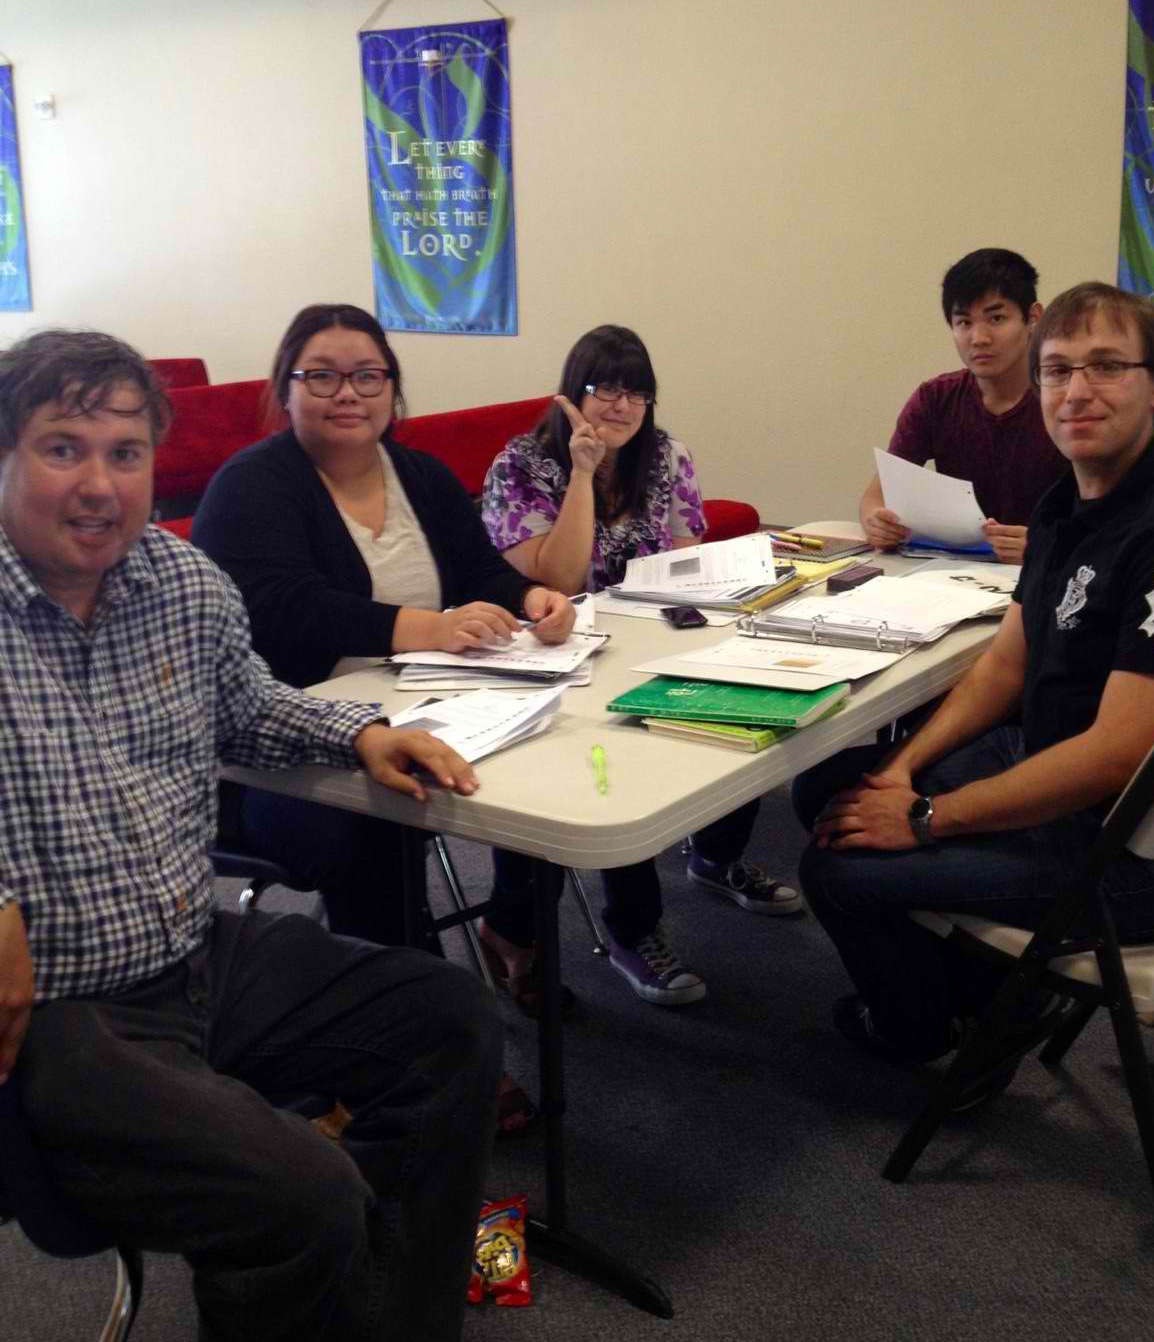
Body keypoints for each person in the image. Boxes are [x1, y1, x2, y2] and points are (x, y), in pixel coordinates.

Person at [0, 329, 502, 1342]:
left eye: (125, 453)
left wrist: (360, 731)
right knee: (302, 1196)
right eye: (62, 448)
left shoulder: (181, 585)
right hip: (57, 1013)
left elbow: (250, 703)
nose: (99, 484)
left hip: (194, 951)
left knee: (450, 1019)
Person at [796, 283, 1154, 1078]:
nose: (1076, 390)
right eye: (1058, 370)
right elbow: (1006, 663)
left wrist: (928, 817)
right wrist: (902, 768)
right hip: (1069, 778)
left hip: (1144, 855)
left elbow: (1117, 755)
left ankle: (934, 1039)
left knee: (837, 869)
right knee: (832, 790)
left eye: (1106, 366)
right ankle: (992, 993)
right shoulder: (1065, 503)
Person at [192, 302, 574, 1134]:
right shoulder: (252, 485)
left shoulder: (421, 475)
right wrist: (424, 628)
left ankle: (511, 930)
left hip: (429, 704)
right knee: (377, 821)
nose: (348, 393)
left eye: (368, 375)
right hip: (282, 751)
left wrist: (532, 597)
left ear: (392, 388)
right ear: (286, 388)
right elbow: (277, 610)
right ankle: (415, 1045)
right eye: (322, 376)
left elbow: (480, 572)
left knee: (556, 758)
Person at [480, 323, 801, 1007]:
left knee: (747, 698)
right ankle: (633, 930)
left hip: (649, 636)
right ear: (574, 392)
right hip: (558, 652)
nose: (622, 407)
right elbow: (559, 579)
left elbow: (689, 559)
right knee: (621, 769)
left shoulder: (665, 456)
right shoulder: (520, 466)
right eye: (606, 390)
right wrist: (583, 473)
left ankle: (716, 857)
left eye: (638, 393)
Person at [859, 248, 1067, 565]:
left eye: (996, 318)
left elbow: (1111, 519)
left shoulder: (1067, 399)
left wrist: (1047, 546)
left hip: (1047, 576)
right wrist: (877, 520)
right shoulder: (936, 398)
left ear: (1034, 318)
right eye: (964, 322)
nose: (979, 338)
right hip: (953, 572)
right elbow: (876, 496)